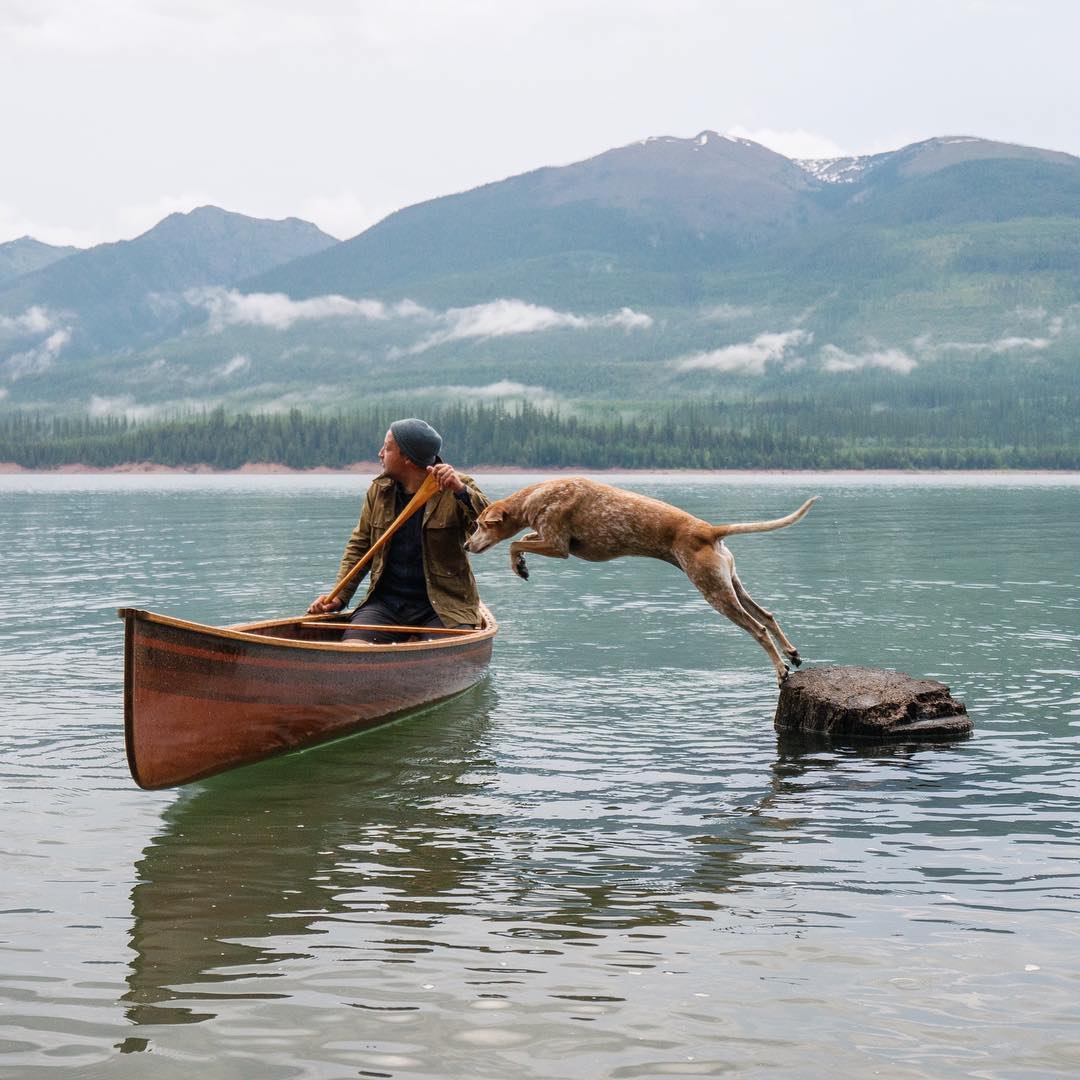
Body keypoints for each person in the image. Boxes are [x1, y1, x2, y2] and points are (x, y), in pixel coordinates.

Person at [308, 418, 489, 642]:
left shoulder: (457, 485)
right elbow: (361, 546)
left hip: (444, 606)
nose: (380, 453)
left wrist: (461, 492)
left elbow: (490, 527)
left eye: (387, 447)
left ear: (407, 458)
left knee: (438, 655)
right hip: (386, 604)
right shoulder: (379, 490)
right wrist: (340, 596)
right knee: (353, 649)